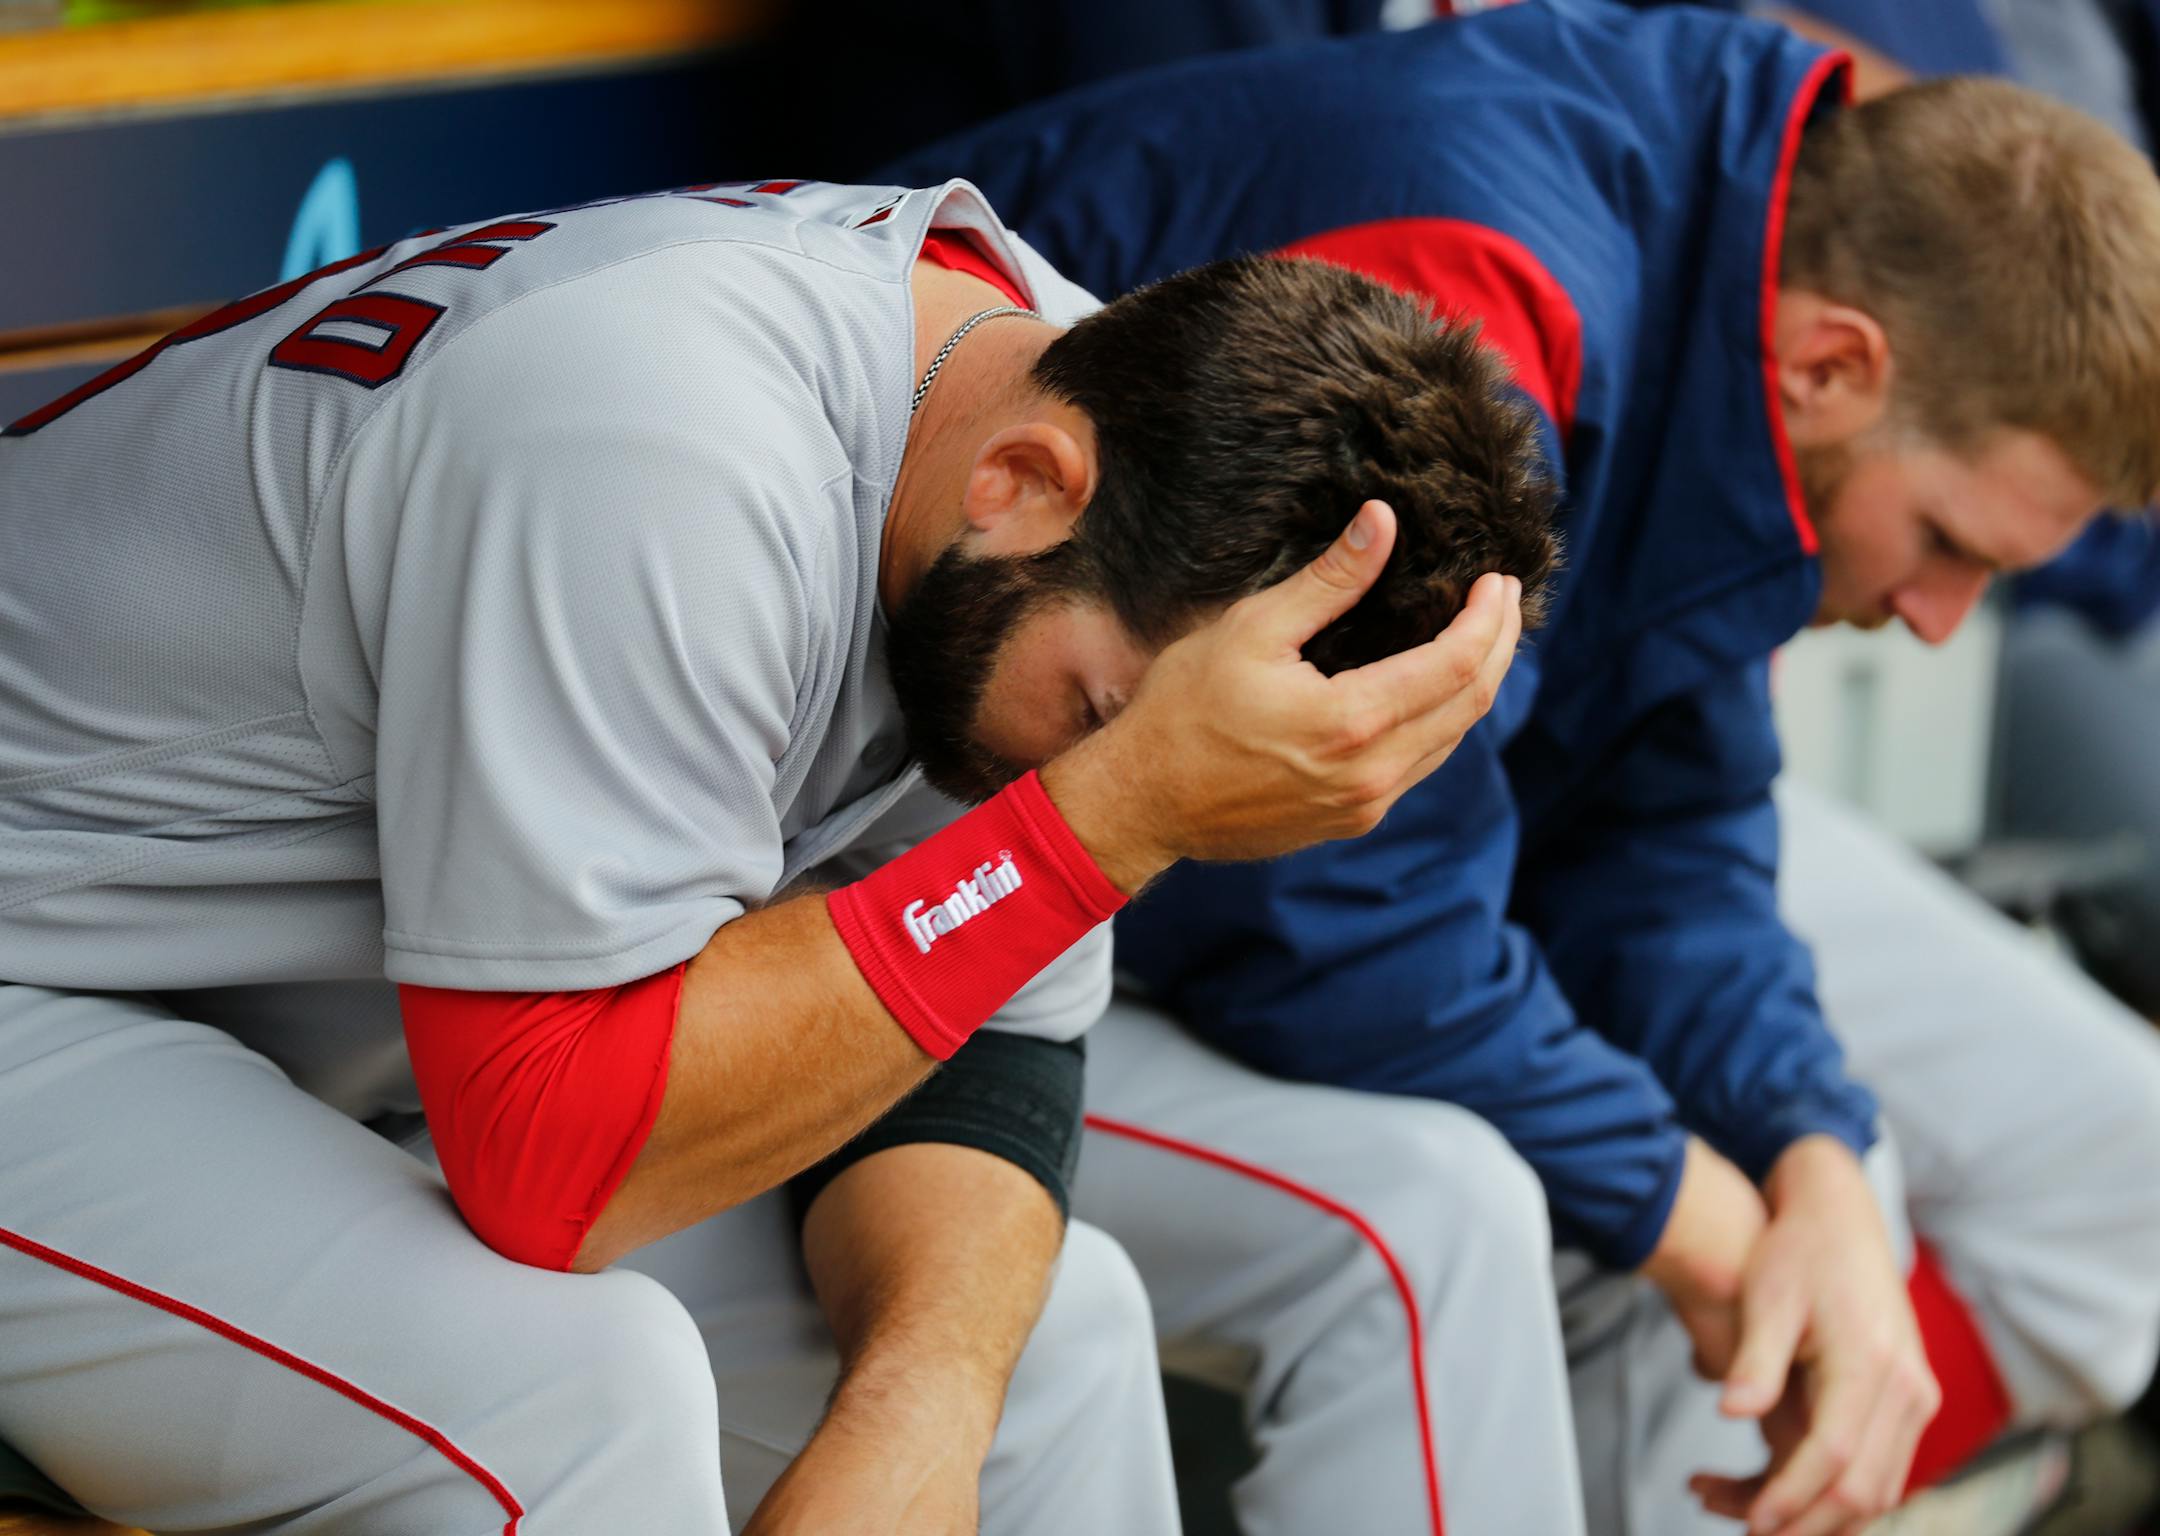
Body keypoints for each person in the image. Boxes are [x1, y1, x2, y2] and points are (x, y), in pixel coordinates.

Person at [0, 176, 1549, 1532]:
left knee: (1031, 1346)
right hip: (44, 983)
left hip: (280, 1017)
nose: (1093, 765)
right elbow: (558, 1163)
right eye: (1098, 716)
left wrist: (914, 1422)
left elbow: (986, 1058)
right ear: (1024, 485)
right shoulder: (662, 443)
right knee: (570, 1402)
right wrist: (1114, 817)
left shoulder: (1077, 436)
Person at [884, 7, 2160, 1534]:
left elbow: (1664, 814)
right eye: (1948, 545)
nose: (1946, 623)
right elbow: (1315, 891)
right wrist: (1682, 1198)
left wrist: (1804, 1141)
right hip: (881, 811)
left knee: (1819, 1205)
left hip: (1167, 861)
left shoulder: (1728, 261)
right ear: (1833, 362)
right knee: (1516, 1225)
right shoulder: (1486, 292)